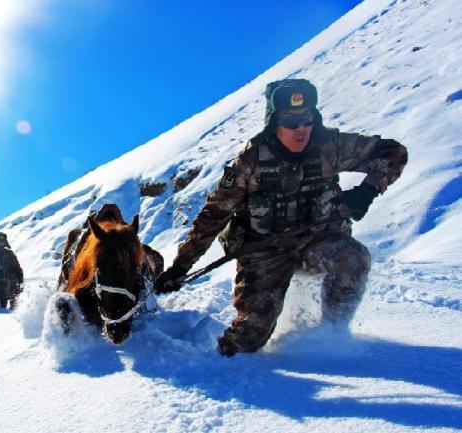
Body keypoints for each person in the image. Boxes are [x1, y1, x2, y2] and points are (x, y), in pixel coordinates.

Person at [153, 78, 408, 356]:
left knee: (353, 257)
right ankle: (219, 360)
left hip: (317, 243)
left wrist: (368, 190)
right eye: (290, 122)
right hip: (265, 254)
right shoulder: (249, 162)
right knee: (248, 341)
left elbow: (393, 152)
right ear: (275, 123)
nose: (301, 129)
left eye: (306, 119)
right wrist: (180, 268)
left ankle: (331, 338)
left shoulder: (330, 145)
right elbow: (213, 217)